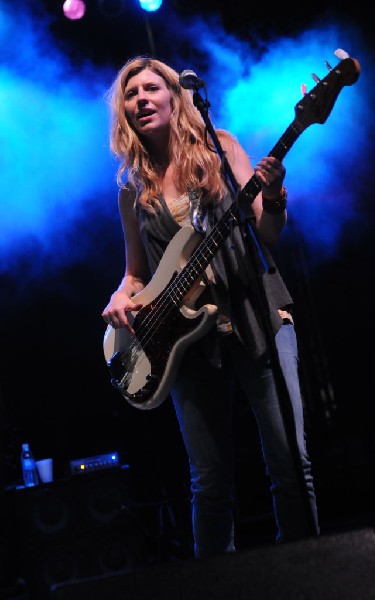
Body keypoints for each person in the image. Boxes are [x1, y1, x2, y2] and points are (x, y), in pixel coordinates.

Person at [101, 55, 320, 559]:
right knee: (210, 479)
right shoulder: (133, 189)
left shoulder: (220, 150)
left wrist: (275, 198)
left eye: (152, 88)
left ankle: (307, 571)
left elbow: (267, 233)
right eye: (131, 95)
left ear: (176, 96)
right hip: (184, 341)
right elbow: (135, 272)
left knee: (291, 461)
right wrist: (120, 294)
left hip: (256, 314)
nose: (141, 100)